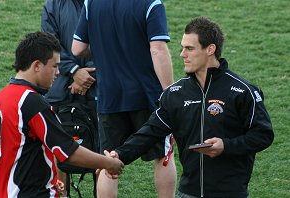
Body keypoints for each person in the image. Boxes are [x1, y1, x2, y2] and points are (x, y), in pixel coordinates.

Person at [108, 16, 274, 198]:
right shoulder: (176, 94)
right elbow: (149, 132)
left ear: (210, 49)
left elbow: (263, 135)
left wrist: (226, 146)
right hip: (188, 192)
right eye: (182, 47)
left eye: (189, 48)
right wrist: (119, 154)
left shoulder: (242, 91)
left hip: (230, 193)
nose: (182, 54)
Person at [0, 32, 123, 198]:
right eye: (54, 66)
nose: (58, 72)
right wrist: (109, 163)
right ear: (37, 65)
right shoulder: (32, 102)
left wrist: (49, 179)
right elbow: (68, 152)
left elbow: (7, 153)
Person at [71, 0, 177, 197]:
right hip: (147, 95)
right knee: (163, 155)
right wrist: (170, 92)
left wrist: (104, 49)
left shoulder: (91, 3)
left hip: (109, 95)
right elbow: (158, 49)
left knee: (107, 161)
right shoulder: (151, 4)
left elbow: (77, 48)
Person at [41, 0, 99, 196]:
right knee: (57, 151)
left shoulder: (104, 4)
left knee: (101, 151)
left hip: (97, 89)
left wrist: (87, 75)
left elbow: (108, 41)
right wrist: (74, 71)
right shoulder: (53, 5)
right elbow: (49, 43)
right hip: (60, 90)